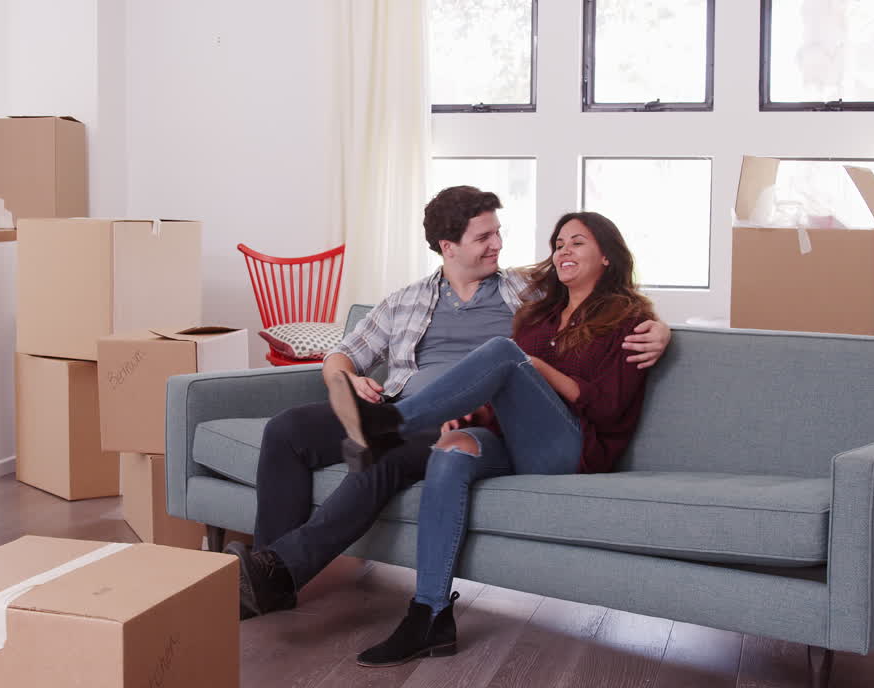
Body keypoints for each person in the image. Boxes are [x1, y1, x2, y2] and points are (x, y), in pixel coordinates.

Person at [226, 188, 671, 621]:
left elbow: (597, 300)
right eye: (484, 237)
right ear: (448, 246)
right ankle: (268, 576)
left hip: (462, 421)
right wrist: (346, 379)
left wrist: (661, 328)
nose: (497, 243)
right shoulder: (406, 300)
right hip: (399, 402)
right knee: (287, 429)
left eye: (498, 232)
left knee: (383, 452)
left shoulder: (527, 291)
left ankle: (281, 566)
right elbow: (341, 353)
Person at [325, 211, 658, 667]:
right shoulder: (539, 317)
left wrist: (535, 369)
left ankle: (389, 425)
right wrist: (471, 414)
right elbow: (508, 396)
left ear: (606, 255)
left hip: (572, 449)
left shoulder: (630, 320)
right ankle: (430, 615)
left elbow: (606, 406)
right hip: (516, 441)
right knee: (449, 452)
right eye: (558, 243)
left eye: (577, 242)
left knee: (504, 351)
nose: (562, 250)